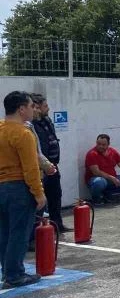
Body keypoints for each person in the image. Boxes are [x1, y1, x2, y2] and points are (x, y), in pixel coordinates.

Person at [1, 91, 47, 289]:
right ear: (21, 109)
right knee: (19, 233)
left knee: (4, 232)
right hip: (18, 188)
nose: (32, 109)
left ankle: (8, 270)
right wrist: (39, 193)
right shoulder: (23, 134)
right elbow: (30, 168)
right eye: (30, 106)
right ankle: (15, 275)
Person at [30, 94, 69, 232]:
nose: (48, 108)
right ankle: (35, 233)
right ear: (37, 107)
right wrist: (45, 165)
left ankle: (57, 224)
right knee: (39, 202)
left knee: (55, 195)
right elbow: (37, 149)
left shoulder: (46, 120)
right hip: (41, 167)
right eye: (45, 106)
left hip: (52, 164)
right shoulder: (30, 125)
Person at [84, 134, 120, 205]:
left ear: (108, 144)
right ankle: (96, 199)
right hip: (95, 179)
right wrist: (112, 178)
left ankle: (107, 194)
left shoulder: (113, 152)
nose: (100, 146)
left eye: (103, 144)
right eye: (98, 144)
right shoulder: (92, 154)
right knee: (99, 182)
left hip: (111, 178)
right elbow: (96, 172)